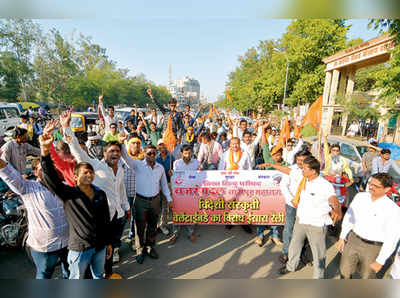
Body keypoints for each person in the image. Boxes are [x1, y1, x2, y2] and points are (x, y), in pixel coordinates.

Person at [61, 111, 131, 276]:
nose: (115, 154)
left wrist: (126, 208)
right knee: (97, 253)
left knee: (112, 248)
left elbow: (121, 191)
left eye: (117, 151)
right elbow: (77, 151)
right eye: (111, 151)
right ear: (104, 153)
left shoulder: (120, 169)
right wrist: (66, 127)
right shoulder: (95, 166)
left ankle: (107, 274)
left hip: (118, 216)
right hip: (100, 220)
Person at [40, 133, 112, 279]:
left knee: (98, 276)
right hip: (80, 249)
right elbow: (50, 177)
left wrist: (108, 243)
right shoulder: (68, 194)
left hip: (99, 247)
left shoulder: (100, 194)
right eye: (85, 173)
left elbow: (105, 220)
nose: (89, 175)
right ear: (75, 177)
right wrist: (45, 151)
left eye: (91, 172)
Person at [0, 157, 69, 279]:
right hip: (45, 247)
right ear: (35, 172)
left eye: (51, 168)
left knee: (69, 273)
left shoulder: (64, 186)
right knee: (44, 275)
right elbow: (8, 173)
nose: (48, 171)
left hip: (67, 242)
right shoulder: (27, 187)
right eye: (43, 169)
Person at [279, 156, 342, 279]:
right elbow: (288, 171)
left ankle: (318, 277)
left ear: (313, 171)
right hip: (301, 220)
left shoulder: (324, 184)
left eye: (305, 168)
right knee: (294, 245)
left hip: (316, 224)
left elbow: (333, 199)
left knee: (318, 252)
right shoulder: (304, 180)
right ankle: (291, 266)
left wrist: (337, 210)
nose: (302, 170)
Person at [118, 135, 172, 265]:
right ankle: (139, 250)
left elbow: (164, 184)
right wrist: (121, 143)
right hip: (140, 201)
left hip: (155, 200)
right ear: (145, 154)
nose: (152, 155)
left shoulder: (160, 168)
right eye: (149, 153)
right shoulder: (137, 165)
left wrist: (169, 198)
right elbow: (125, 156)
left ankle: (150, 247)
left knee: (153, 226)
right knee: (140, 227)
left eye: (154, 153)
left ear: (156, 153)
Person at [337, 173, 400, 279]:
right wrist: (342, 237)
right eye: (370, 183)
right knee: (344, 271)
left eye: (376, 186)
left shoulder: (393, 210)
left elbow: (392, 238)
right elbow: (349, 217)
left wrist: (380, 260)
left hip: (373, 248)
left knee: (367, 277)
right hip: (353, 240)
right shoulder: (360, 197)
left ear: (387, 189)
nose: (371, 187)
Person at [218, 137, 252, 233]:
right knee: (230, 203)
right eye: (233, 144)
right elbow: (221, 169)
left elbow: (249, 168)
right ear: (230, 145)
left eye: (236, 143)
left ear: (239, 144)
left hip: (242, 182)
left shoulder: (245, 154)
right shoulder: (225, 155)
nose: (235, 145)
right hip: (229, 182)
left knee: (242, 203)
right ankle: (231, 221)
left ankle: (244, 223)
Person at [169, 145, 200, 244]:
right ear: (181, 153)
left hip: (192, 192)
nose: (188, 155)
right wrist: (171, 174)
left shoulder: (196, 163)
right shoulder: (177, 163)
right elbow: (175, 176)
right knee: (177, 212)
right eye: (186, 153)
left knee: (190, 212)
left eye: (190, 153)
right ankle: (175, 233)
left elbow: (200, 176)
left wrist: (201, 171)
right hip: (180, 192)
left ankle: (190, 232)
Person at [156, 140, 175, 236]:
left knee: (165, 206)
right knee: (156, 207)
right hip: (156, 186)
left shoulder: (171, 157)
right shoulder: (155, 158)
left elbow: (176, 170)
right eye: (160, 145)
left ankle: (163, 225)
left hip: (168, 184)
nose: (162, 147)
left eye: (164, 144)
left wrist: (173, 172)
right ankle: (155, 225)